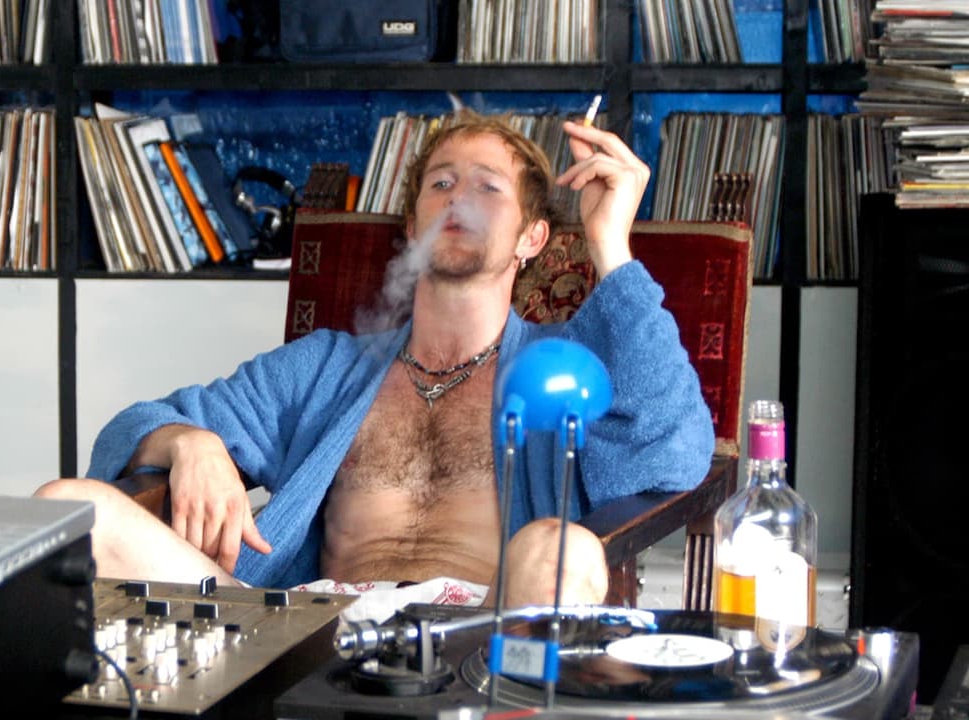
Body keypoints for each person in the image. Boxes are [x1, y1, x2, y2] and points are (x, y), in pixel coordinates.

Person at [36, 109, 714, 611]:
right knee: (71, 507)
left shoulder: (559, 368)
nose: (459, 199)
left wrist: (610, 243)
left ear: (532, 238)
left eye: (487, 188)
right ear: (413, 227)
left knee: (563, 550)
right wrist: (189, 441)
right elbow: (126, 434)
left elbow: (674, 451)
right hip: (304, 635)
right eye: (441, 183)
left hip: (480, 645)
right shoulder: (328, 366)